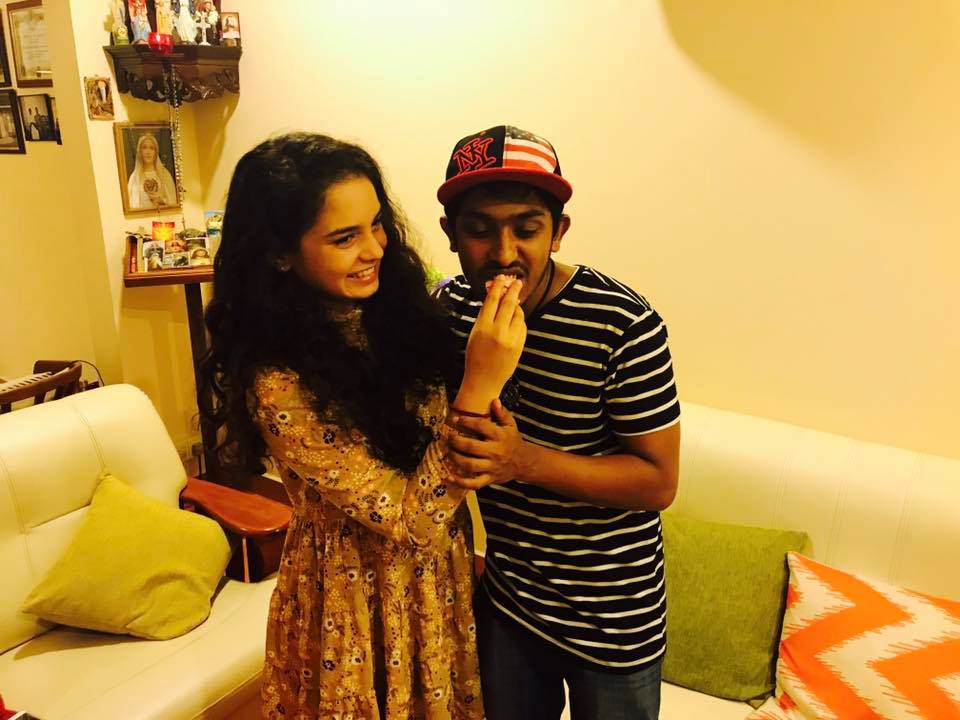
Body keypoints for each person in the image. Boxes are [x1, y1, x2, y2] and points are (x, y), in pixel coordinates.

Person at [198, 132, 526, 719]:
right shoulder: (278, 379)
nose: (374, 248)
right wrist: (480, 383)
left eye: (376, 225)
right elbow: (410, 520)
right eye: (344, 238)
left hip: (437, 585)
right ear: (280, 253)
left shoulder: (393, 311)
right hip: (354, 600)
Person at [434, 125, 682, 720]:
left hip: (613, 618)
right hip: (509, 601)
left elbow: (658, 482)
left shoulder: (622, 324)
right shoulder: (451, 308)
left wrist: (522, 460)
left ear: (559, 230)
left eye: (526, 228)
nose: (504, 253)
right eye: (479, 229)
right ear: (450, 233)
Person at [126, 132, 178, 210]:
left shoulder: (164, 174)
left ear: (155, 152)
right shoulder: (134, 178)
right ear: (140, 152)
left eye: (151, 148)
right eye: (144, 147)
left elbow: (173, 201)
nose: (148, 152)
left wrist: (162, 201)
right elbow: (130, 205)